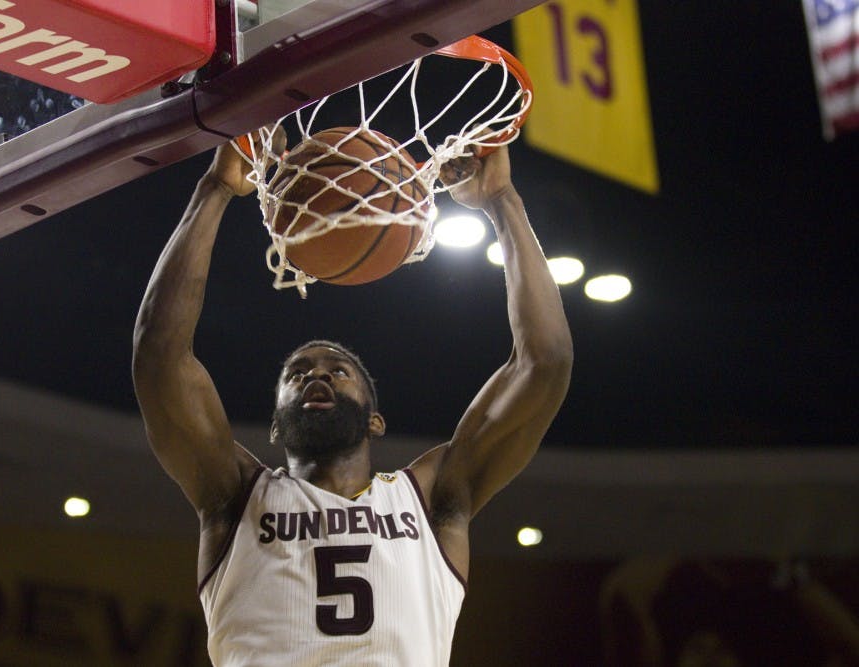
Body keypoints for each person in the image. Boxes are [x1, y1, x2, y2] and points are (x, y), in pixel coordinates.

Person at [132, 131, 573, 666]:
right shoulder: (233, 497)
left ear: (376, 421)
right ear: (275, 426)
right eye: (297, 373)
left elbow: (543, 363)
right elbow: (159, 354)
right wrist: (215, 188)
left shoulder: (432, 500)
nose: (316, 376)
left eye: (338, 371)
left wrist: (504, 202)